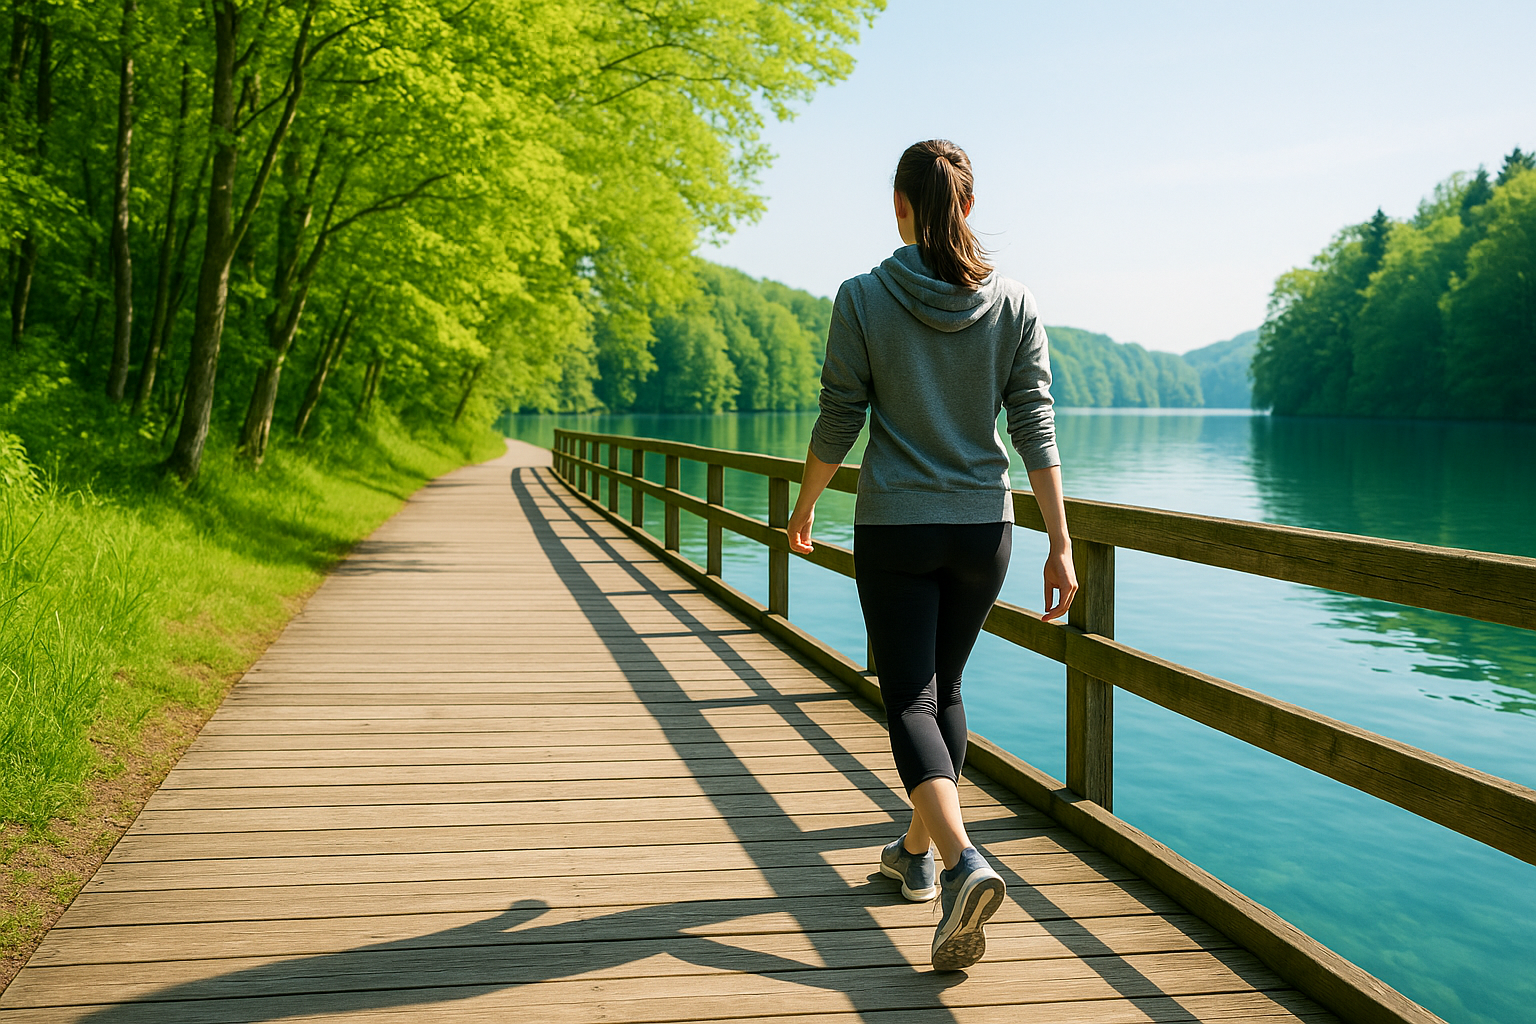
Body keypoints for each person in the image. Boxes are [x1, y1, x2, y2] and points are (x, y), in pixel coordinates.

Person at [786, 139, 1078, 972]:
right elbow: (1035, 427)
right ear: (970, 205)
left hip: (897, 528)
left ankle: (961, 862)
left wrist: (805, 504)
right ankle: (914, 854)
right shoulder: (1015, 302)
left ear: (899, 206)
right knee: (944, 690)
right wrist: (1060, 543)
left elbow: (840, 415)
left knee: (909, 695)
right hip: (986, 531)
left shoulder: (862, 297)